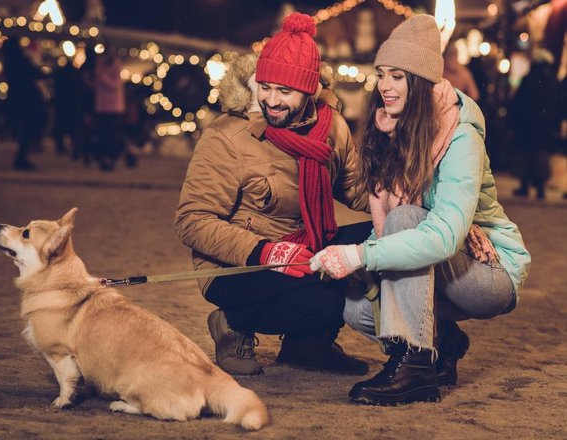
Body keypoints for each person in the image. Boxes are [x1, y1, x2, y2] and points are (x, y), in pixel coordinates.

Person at [309, 15, 531, 405]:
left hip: (490, 271)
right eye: (381, 74)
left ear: (421, 79)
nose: (385, 86)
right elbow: (387, 226)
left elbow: (442, 234)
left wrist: (361, 253)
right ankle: (443, 341)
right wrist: (358, 264)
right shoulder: (390, 130)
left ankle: (415, 369)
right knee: (358, 309)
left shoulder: (460, 133)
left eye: (397, 75)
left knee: (408, 220)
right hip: (442, 259)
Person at [174, 13, 372, 376]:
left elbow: (360, 192)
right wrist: (268, 250)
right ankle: (233, 322)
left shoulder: (332, 129)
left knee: (378, 236)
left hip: (305, 246)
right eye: (265, 87)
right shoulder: (227, 136)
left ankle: (306, 345)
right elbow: (192, 221)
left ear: (309, 90)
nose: (272, 100)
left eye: (285, 91)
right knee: (326, 301)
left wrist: (419, 209)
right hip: (239, 265)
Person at [508, 48, 560, 200]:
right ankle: (540, 188)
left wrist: (513, 123)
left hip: (526, 126)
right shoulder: (552, 81)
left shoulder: (528, 80)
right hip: (545, 126)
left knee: (526, 155)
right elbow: (557, 105)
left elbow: (518, 104)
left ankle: (525, 186)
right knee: (541, 156)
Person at [1, 39, 47, 171]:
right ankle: (23, 156)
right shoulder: (19, 60)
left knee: (27, 126)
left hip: (20, 97)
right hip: (27, 97)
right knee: (30, 126)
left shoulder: (10, 61)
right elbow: (34, 72)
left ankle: (23, 154)